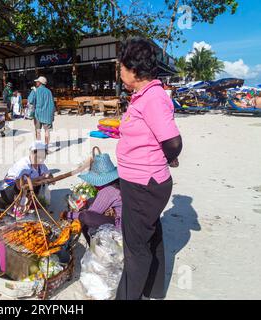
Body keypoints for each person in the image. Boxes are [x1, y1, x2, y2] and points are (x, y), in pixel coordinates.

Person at [115, 38, 183, 300]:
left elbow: (173, 142)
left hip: (144, 184)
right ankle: (153, 291)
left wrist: (166, 158)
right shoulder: (142, 96)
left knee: (135, 248)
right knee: (151, 236)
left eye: (121, 67)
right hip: (142, 181)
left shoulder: (153, 97)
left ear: (134, 69)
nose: (119, 73)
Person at [61, 153, 122, 245]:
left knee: (85, 216)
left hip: (121, 227)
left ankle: (92, 245)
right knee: (90, 201)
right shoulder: (117, 183)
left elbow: (92, 213)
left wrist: (69, 214)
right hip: (127, 219)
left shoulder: (108, 191)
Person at [0, 141, 53, 209]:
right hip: (9, 190)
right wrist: (38, 179)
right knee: (35, 183)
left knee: (40, 184)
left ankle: (29, 201)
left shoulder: (41, 165)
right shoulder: (23, 165)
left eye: (43, 157)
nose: (41, 160)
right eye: (38, 157)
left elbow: (52, 179)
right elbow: (19, 185)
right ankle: (17, 205)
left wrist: (48, 177)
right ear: (32, 153)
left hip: (26, 188)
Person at [33, 76, 55, 147]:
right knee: (47, 131)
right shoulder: (49, 91)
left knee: (38, 130)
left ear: (40, 83)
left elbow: (30, 101)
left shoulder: (35, 90)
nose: (36, 82)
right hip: (48, 114)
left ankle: (39, 146)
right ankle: (46, 147)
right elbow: (52, 103)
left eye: (37, 81)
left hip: (38, 114)